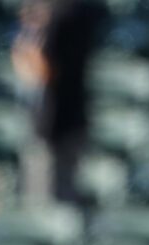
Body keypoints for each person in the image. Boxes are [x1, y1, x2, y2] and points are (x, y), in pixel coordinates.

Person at [13, 0, 103, 207]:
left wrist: (27, 41)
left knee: (49, 205)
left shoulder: (63, 16)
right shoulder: (67, 13)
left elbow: (44, 72)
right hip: (59, 122)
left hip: (57, 126)